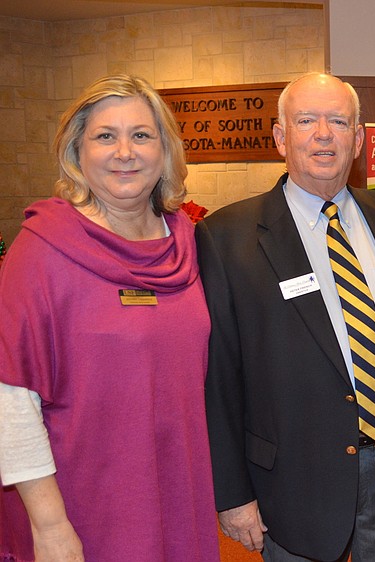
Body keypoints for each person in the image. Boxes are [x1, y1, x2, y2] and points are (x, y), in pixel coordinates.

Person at [196, 72, 375, 562]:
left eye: (338, 121)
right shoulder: (226, 237)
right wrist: (231, 494)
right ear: (280, 137)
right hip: (294, 480)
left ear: (358, 139)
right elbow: (219, 379)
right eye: (306, 120)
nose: (323, 134)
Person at [0, 74, 219, 561]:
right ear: (76, 153)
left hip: (178, 485)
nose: (125, 151)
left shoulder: (188, 242)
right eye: (105, 136)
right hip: (79, 499)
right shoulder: (41, 251)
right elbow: (11, 398)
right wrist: (51, 524)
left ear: (165, 151)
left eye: (141, 135)